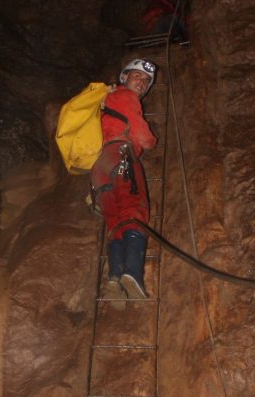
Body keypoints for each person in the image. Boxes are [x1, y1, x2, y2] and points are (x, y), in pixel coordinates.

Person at [90, 59, 157, 304]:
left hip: (100, 170)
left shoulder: (104, 101)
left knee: (115, 221)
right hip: (121, 157)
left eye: (145, 80)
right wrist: (152, 141)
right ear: (124, 78)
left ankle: (114, 280)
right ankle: (133, 274)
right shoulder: (127, 97)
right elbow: (142, 136)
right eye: (136, 76)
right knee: (134, 211)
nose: (141, 82)